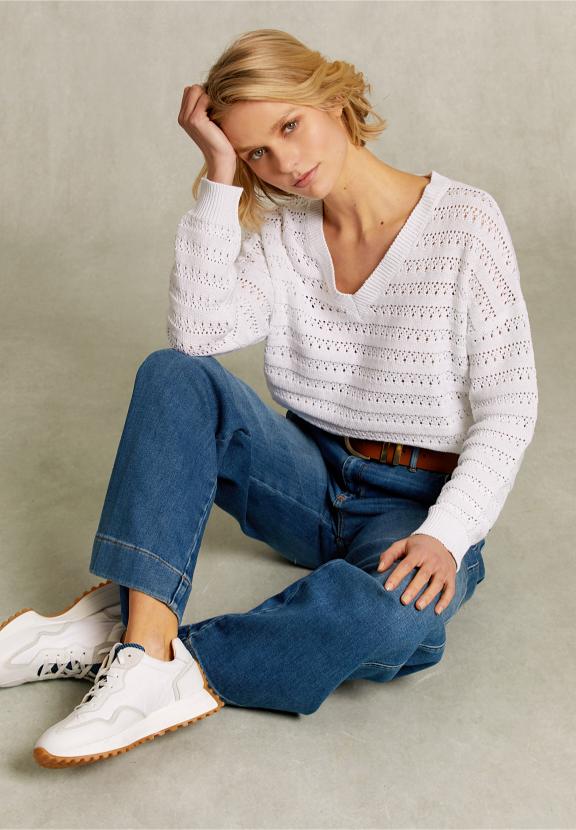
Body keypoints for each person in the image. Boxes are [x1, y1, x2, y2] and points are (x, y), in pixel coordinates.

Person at [0, 28, 538, 768]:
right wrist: (220, 175)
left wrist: (449, 534)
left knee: (400, 628)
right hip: (309, 478)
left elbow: (509, 407)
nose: (284, 164)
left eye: (289, 125)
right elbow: (197, 336)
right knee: (174, 374)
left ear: (334, 100)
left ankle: (141, 645)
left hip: (415, 503)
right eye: (257, 152)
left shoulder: (466, 223)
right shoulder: (284, 232)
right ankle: (143, 647)